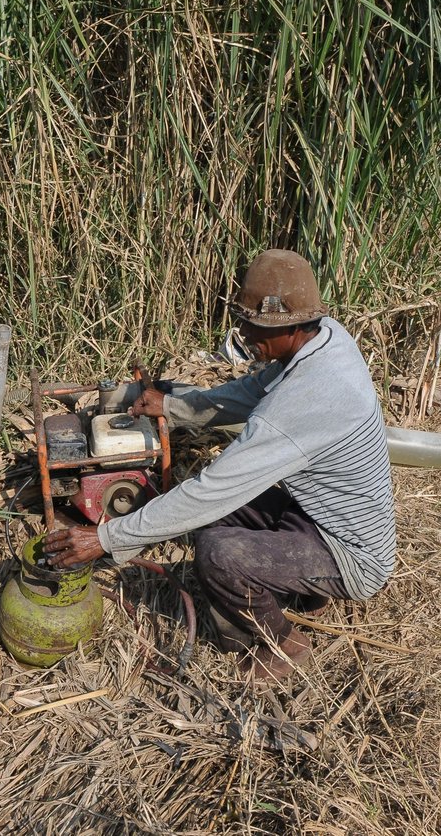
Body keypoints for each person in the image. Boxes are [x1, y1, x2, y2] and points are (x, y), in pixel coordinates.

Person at [43, 249, 396, 682]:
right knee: (212, 520)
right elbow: (249, 393)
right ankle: (301, 590)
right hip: (317, 514)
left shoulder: (302, 404)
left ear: (288, 325)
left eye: (253, 325)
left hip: (352, 554)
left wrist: (107, 536)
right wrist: (172, 405)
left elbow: (211, 490)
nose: (243, 333)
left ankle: (283, 643)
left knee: (219, 554)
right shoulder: (324, 338)